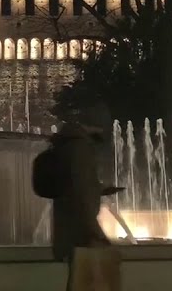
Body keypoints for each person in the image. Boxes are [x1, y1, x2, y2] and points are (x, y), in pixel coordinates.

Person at [48, 105, 121, 291]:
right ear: (96, 125)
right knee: (86, 282)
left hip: (73, 229)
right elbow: (80, 192)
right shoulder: (79, 147)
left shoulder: (69, 144)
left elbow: (76, 185)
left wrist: (98, 189)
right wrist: (94, 233)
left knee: (79, 280)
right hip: (81, 233)